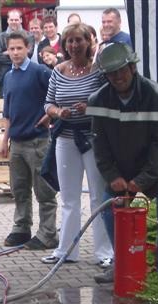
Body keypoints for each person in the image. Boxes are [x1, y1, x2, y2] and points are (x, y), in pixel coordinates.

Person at [89, 43, 158, 283]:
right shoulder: (98, 100)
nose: (117, 77)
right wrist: (112, 177)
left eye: (122, 70)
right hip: (123, 165)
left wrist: (141, 181)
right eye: (111, 73)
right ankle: (123, 262)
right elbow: (100, 147)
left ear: (132, 67)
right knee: (108, 207)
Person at [41, 23, 114, 266]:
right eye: (70, 41)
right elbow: (47, 103)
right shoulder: (58, 71)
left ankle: (104, 253)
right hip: (65, 139)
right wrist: (57, 111)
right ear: (64, 45)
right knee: (69, 198)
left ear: (88, 43)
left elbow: (111, 104)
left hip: (93, 139)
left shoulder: (99, 71)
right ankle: (66, 251)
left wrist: (90, 108)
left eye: (79, 40)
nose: (74, 45)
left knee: (97, 196)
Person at [0, 31, 58, 250]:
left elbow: (57, 94)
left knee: (44, 191)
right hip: (17, 143)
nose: (15, 53)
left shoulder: (39, 72)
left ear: (28, 49)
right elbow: (8, 112)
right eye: (11, 49)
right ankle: (22, 228)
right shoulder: (8, 76)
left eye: (19, 48)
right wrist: (4, 140)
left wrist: (49, 115)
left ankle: (48, 233)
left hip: (38, 142)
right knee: (20, 189)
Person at [0, 9, 31, 93]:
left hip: (25, 74)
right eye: (11, 20)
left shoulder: (29, 36)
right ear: (7, 20)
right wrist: (19, 56)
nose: (14, 22)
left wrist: (7, 53)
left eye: (16, 20)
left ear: (21, 20)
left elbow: (29, 54)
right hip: (4, 76)